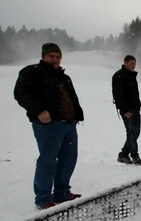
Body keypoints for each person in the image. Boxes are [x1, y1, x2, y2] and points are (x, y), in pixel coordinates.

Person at [14, 43, 84, 210]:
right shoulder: (33, 72)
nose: (55, 59)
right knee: (48, 160)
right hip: (49, 124)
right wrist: (39, 111)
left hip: (68, 124)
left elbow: (70, 97)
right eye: (51, 56)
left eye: (58, 56)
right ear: (44, 56)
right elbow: (20, 93)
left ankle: (61, 192)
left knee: (68, 159)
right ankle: (43, 198)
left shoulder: (63, 76)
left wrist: (77, 115)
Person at [112, 55, 141, 165]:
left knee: (136, 132)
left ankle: (123, 154)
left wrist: (138, 106)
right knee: (131, 132)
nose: (134, 66)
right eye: (131, 63)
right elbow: (118, 95)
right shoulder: (119, 76)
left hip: (135, 109)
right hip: (127, 109)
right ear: (125, 63)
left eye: (135, 64)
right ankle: (135, 156)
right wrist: (124, 110)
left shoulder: (132, 76)